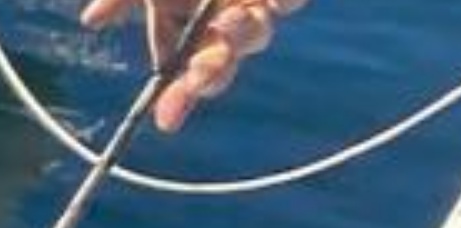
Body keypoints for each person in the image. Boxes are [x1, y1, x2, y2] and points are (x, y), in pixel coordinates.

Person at [76, 0, 302, 135]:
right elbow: (93, 17)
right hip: (176, 21)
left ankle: (185, 86)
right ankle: (182, 86)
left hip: (231, 20)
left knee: (216, 58)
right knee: (200, 62)